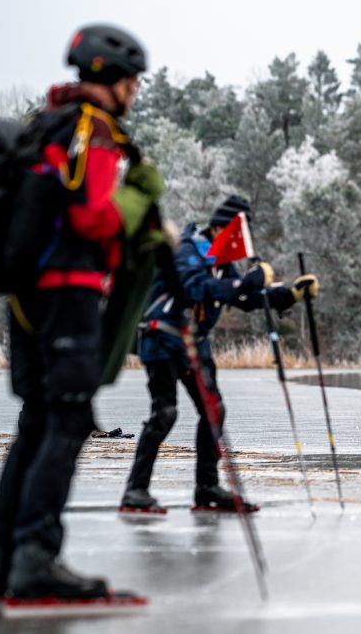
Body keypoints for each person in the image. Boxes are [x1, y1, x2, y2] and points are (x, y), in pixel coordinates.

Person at [0, 25, 160, 601]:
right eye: (132, 81)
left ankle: (3, 562)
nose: (135, 92)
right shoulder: (93, 130)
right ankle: (37, 560)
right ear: (112, 79)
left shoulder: (46, 124)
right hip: (69, 296)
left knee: (38, 423)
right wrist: (140, 193)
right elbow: (94, 220)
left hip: (29, 296)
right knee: (65, 423)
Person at [119, 195, 318, 514]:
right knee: (165, 412)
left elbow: (247, 296)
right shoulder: (187, 250)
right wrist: (248, 280)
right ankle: (135, 491)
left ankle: (207, 488)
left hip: (194, 345)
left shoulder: (223, 263)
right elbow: (197, 289)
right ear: (222, 229)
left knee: (214, 409)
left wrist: (290, 293)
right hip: (162, 338)